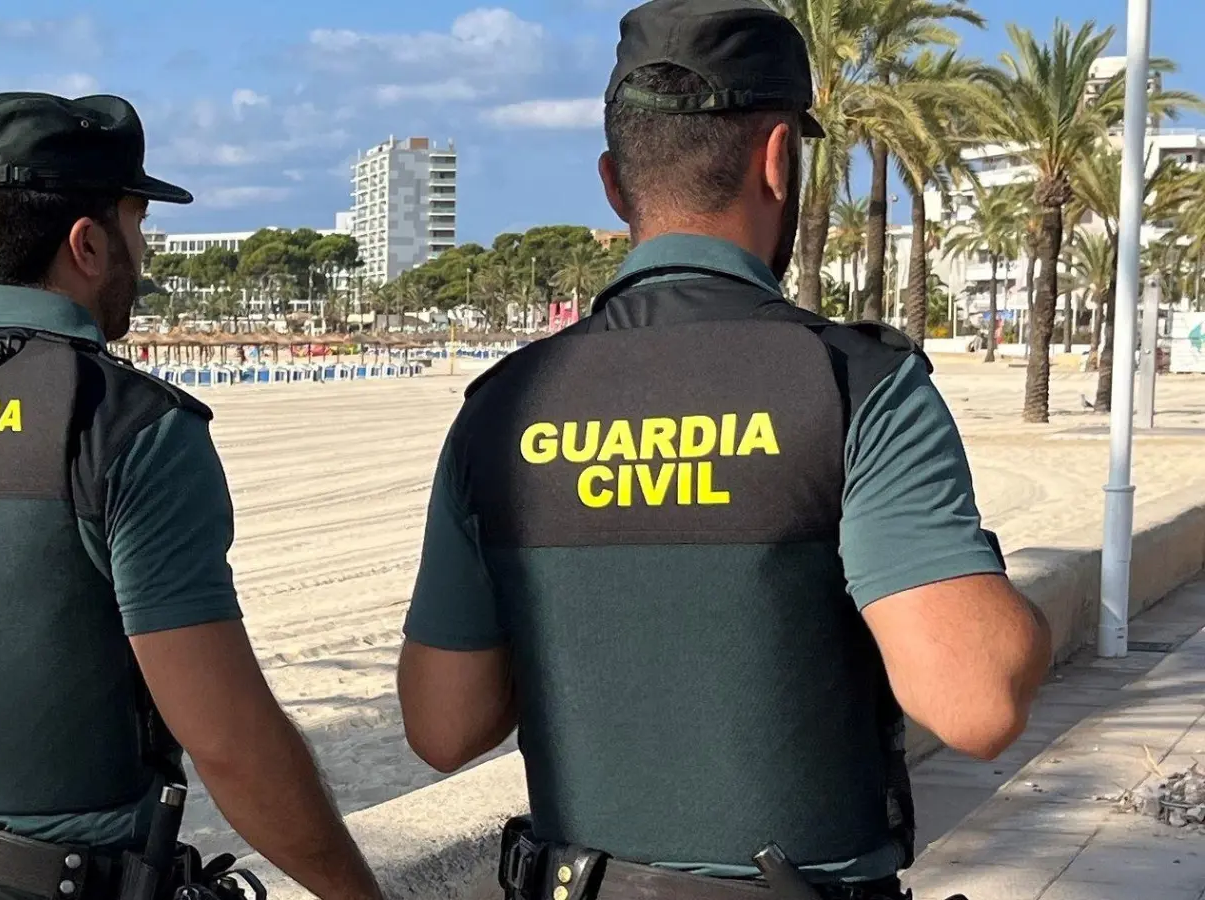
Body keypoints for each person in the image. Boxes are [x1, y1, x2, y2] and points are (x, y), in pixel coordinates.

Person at [394, 2, 1054, 899]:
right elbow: (976, 705)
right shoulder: (853, 384)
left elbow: (443, 725)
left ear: (615, 185)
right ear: (780, 159)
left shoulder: (502, 407)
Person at [0, 92, 384, 900]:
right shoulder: (129, 426)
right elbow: (230, 743)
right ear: (88, 244)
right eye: (138, 226)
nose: (142, 255)